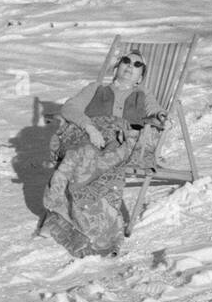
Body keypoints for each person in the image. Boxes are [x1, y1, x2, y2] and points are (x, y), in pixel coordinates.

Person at [38, 50, 167, 258]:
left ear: (140, 78)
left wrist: (160, 116)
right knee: (79, 154)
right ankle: (58, 218)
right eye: (126, 61)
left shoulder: (143, 96)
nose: (130, 66)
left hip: (120, 143)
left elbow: (155, 111)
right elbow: (70, 108)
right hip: (90, 136)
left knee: (97, 160)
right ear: (117, 67)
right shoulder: (95, 89)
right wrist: (90, 127)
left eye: (137, 65)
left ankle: (87, 230)